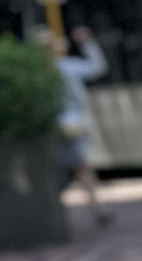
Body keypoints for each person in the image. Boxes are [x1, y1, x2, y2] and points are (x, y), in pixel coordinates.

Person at [48, 25, 111, 227]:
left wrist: (87, 43)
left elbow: (97, 68)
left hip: (72, 126)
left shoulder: (67, 67)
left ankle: (97, 209)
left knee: (81, 167)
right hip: (51, 130)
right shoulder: (35, 73)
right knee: (72, 170)